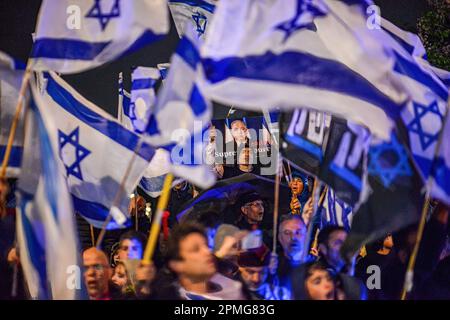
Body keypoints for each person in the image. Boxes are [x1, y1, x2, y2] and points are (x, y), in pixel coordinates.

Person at [146, 222, 246, 300]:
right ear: (177, 264)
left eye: (206, 246)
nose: (207, 252)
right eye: (195, 249)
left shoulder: (234, 291)